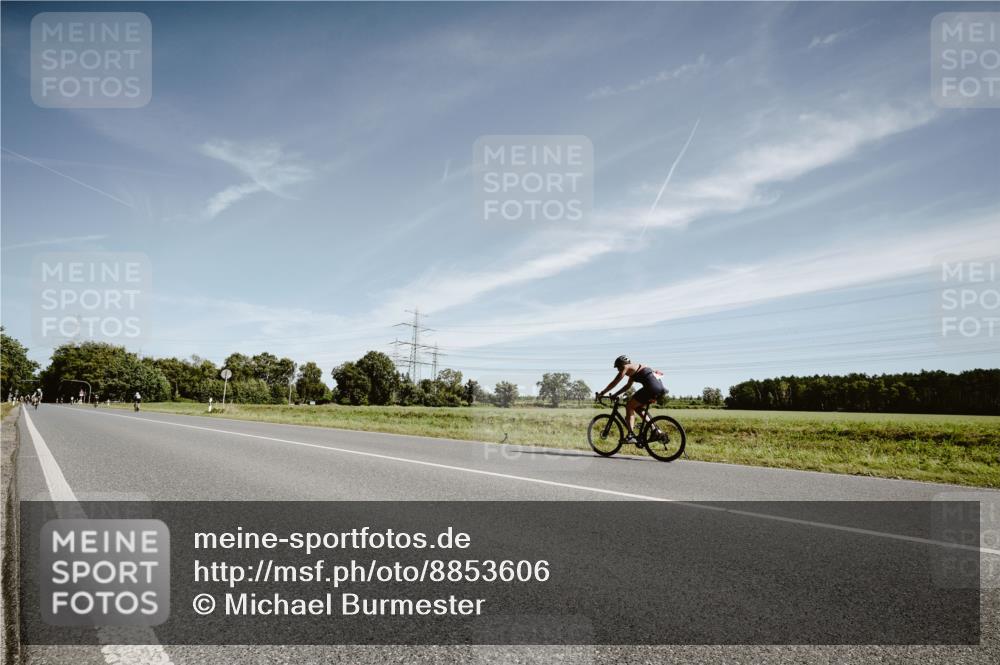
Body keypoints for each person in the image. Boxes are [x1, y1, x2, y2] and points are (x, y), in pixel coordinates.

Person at [596, 355, 667, 445]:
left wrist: (602, 393)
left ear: (623, 364)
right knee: (638, 408)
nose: (618, 370)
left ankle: (631, 435)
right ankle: (656, 431)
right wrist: (615, 395)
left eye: (618, 367)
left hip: (651, 388)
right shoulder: (635, 370)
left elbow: (615, 381)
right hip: (659, 389)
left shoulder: (626, 367)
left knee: (629, 406)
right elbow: (627, 387)